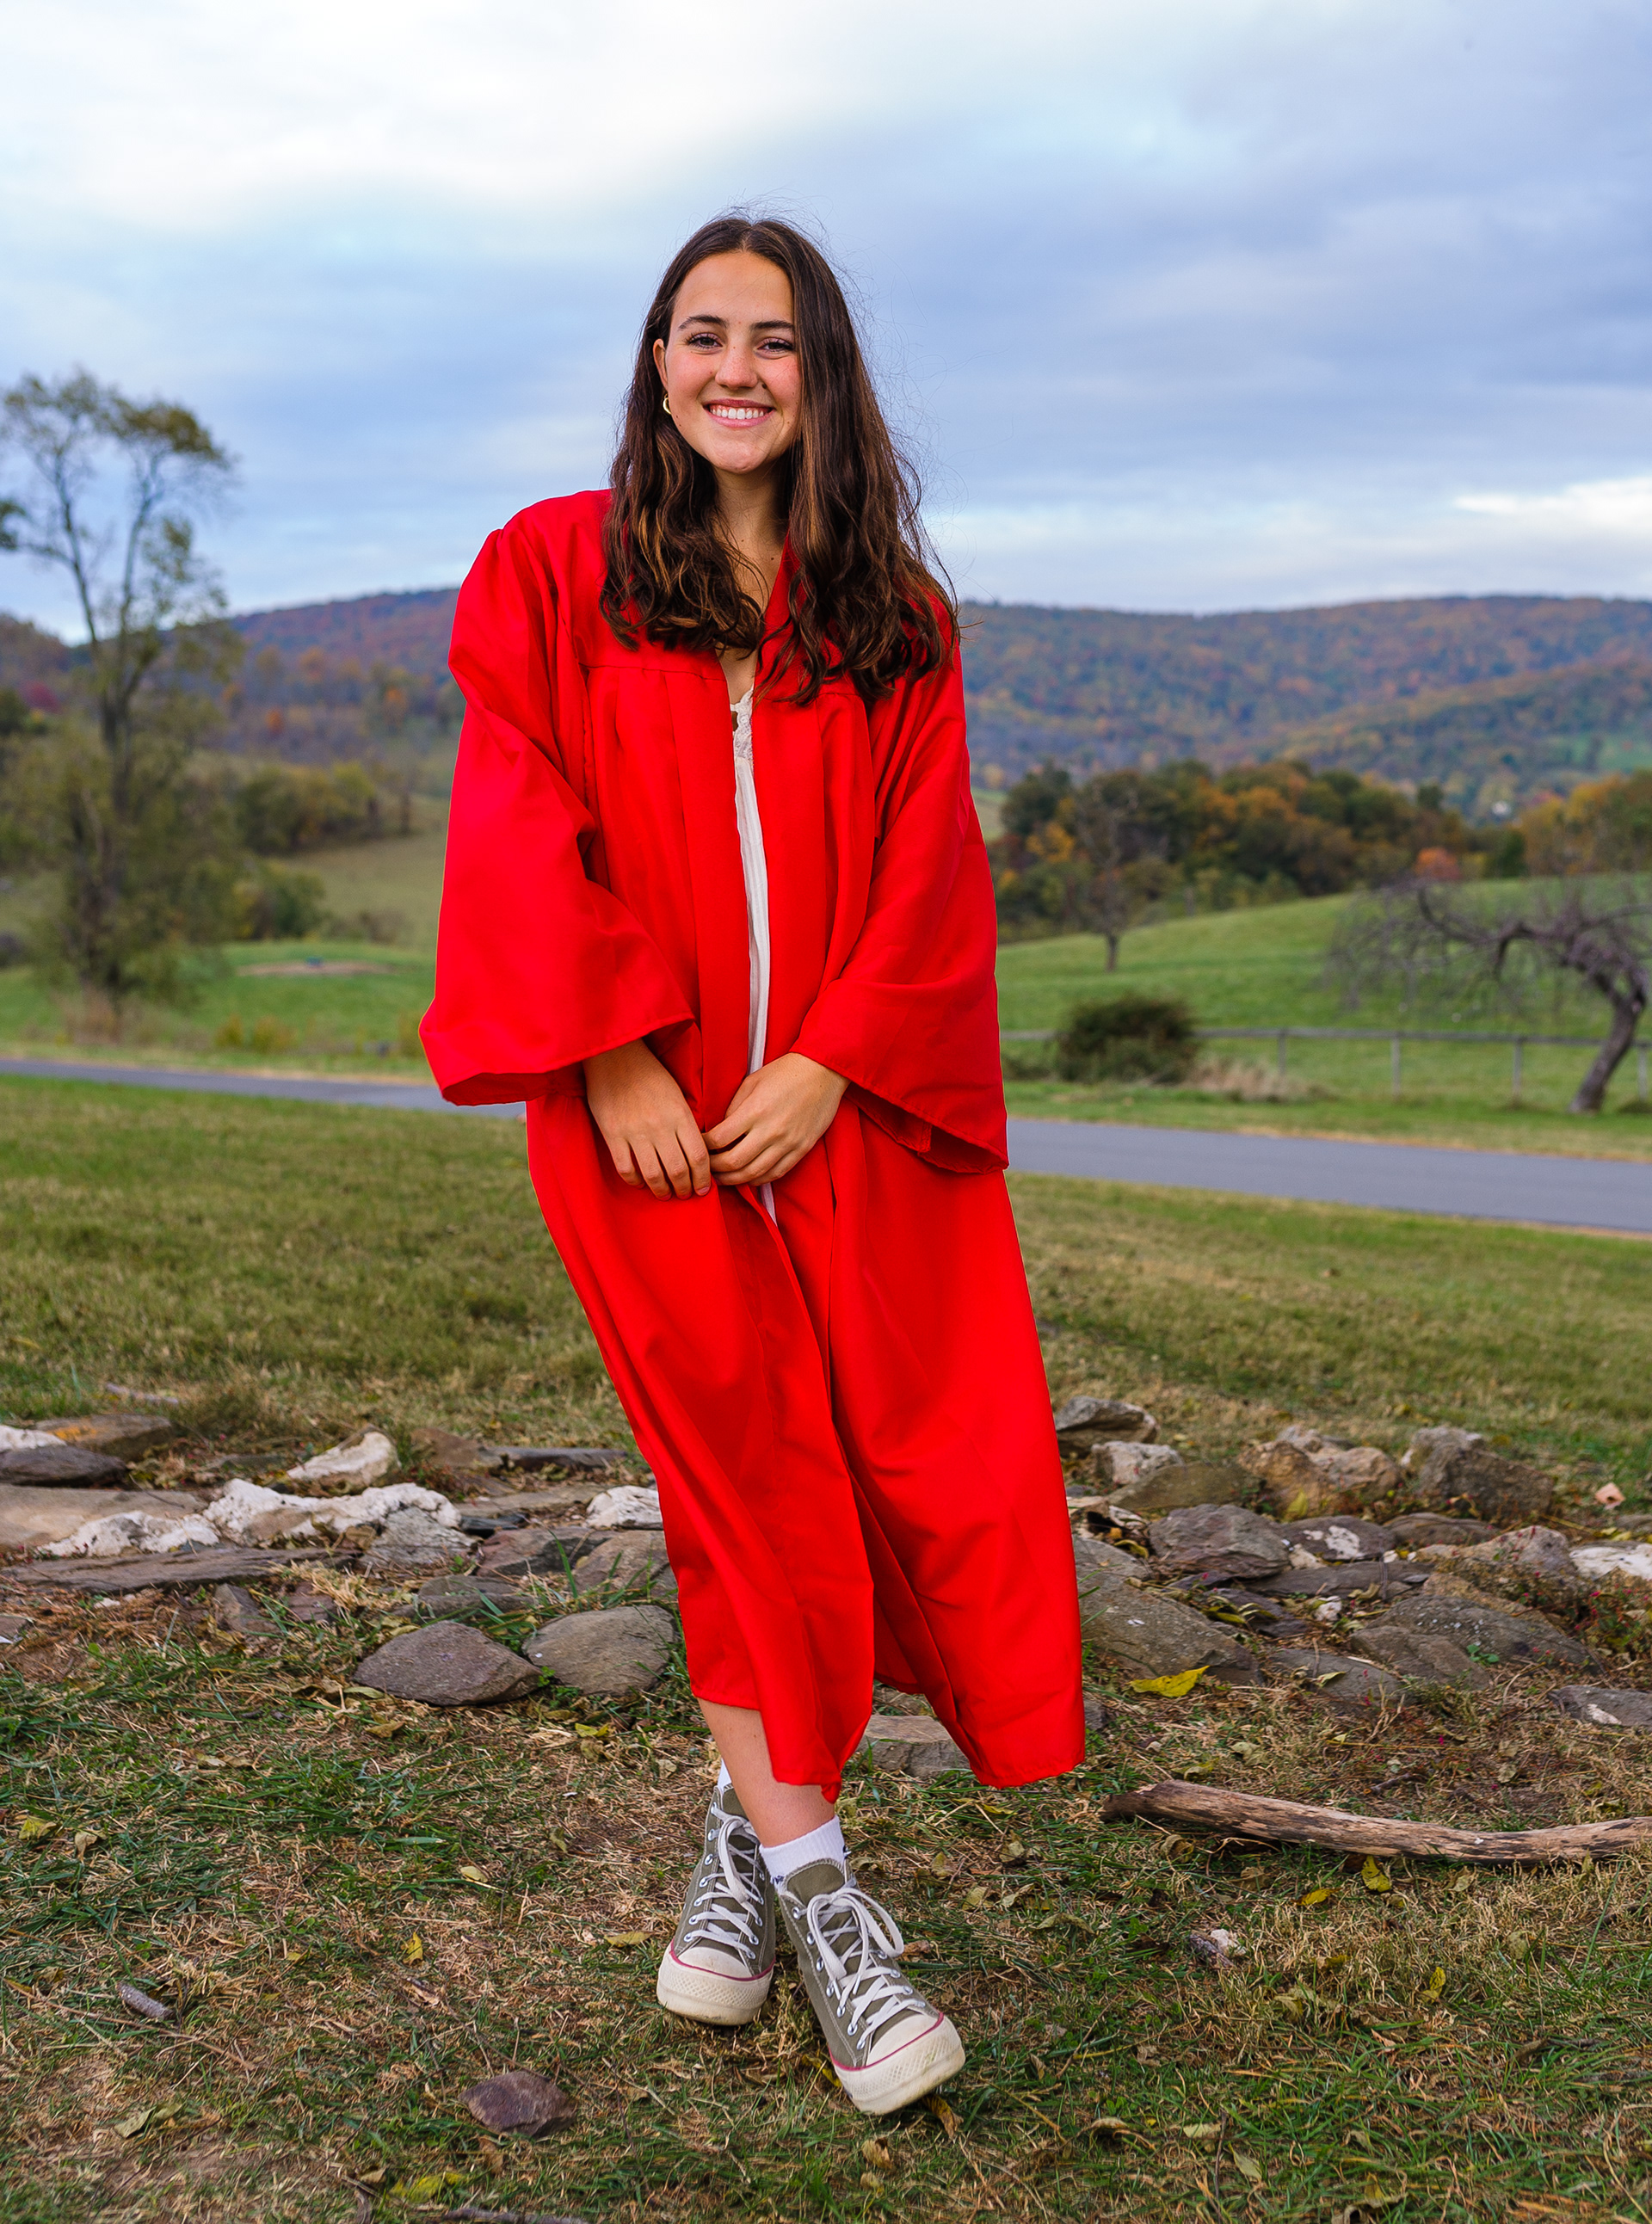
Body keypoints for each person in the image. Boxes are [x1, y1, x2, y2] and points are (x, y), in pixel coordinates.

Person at [422, 213, 1084, 2116]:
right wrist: (613, 1053)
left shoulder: (893, 615)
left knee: (903, 1473)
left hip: (845, 1112)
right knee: (742, 1484)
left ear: (823, 374)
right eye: (702, 333)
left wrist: (831, 1062)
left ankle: (738, 1841)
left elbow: (932, 870)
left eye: (773, 340)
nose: (736, 369)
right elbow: (514, 816)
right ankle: (833, 1916)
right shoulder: (554, 570)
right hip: (645, 1124)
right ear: (657, 362)